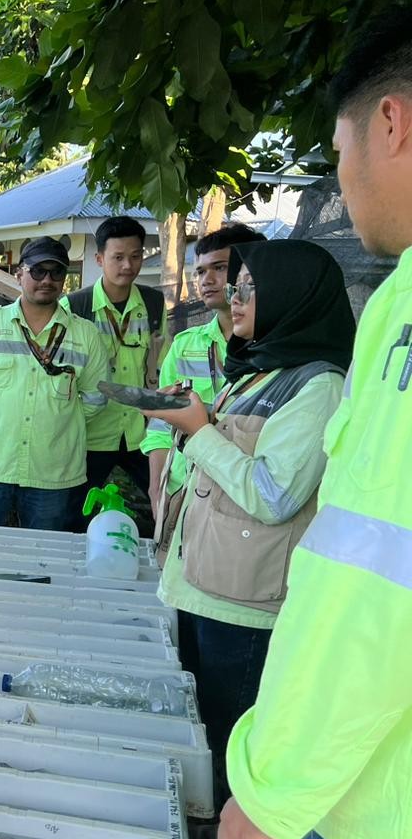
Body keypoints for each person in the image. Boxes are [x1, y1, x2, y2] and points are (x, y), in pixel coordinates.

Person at [218, 8, 412, 839]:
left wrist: (274, 786)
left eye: (338, 152)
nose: (342, 179)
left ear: (392, 124)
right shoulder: (398, 298)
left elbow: (377, 578)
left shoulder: (388, 327)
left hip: (387, 831)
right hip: (356, 783)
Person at [141, 240, 353, 808]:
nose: (234, 299)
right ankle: (206, 832)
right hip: (206, 583)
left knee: (229, 741)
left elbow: (273, 494)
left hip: (244, 606)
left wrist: (198, 430)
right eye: (235, 287)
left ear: (293, 296)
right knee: (201, 731)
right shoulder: (261, 368)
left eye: (249, 288)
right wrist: (195, 419)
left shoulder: (318, 387)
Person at [0, 236, 109, 529]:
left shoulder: (86, 335)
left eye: (56, 272)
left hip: (53, 471)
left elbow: (96, 398)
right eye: (38, 271)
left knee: (44, 554)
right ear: (19, 274)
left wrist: (60, 420)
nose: (47, 279)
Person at [140, 223, 266, 539]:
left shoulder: (275, 352)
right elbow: (160, 426)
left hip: (244, 497)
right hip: (184, 490)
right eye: (200, 271)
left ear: (250, 272)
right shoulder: (185, 345)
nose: (206, 280)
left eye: (220, 268)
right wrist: (157, 487)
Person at [66, 216, 170, 524]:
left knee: (165, 504)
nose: (128, 265)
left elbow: (161, 363)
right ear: (99, 259)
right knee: (75, 514)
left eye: (135, 256)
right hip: (93, 432)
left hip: (140, 431)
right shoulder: (75, 307)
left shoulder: (153, 303)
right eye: (118, 257)